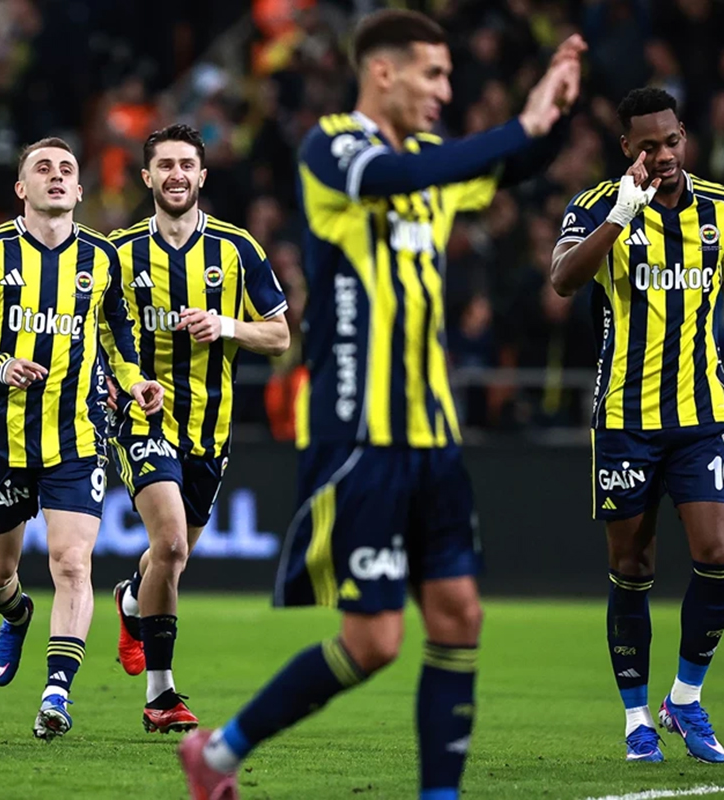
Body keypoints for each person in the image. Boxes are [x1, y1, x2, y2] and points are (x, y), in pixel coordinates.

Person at [178, 11, 586, 800]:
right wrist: (521, 125)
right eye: (433, 74)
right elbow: (391, 179)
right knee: (374, 643)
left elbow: (510, 165)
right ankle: (220, 752)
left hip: (432, 432)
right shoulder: (331, 147)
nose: (445, 91)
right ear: (383, 72)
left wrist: (555, 111)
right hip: (359, 432)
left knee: (459, 615)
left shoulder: (433, 158)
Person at [0, 137, 163, 739]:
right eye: (43, 168)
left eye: (66, 170)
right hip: (2, 438)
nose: (56, 176)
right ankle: (15, 615)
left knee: (72, 562)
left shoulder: (102, 258)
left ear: (80, 190)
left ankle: (57, 693)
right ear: (21, 188)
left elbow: (118, 334)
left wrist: (134, 381)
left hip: (77, 435)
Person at [551, 87, 724, 764]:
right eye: (648, 146)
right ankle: (635, 719)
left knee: (717, 552)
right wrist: (621, 217)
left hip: (703, 417)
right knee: (633, 567)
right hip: (626, 419)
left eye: (671, 141)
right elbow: (563, 279)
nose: (664, 155)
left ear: (683, 135)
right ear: (627, 148)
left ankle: (685, 698)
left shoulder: (717, 208)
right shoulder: (598, 205)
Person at [106, 123, 290, 733]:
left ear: (202, 176)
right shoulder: (118, 252)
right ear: (147, 177)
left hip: (211, 428)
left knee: (171, 559)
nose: (176, 174)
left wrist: (227, 325)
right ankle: (161, 697)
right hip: (142, 417)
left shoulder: (237, 249)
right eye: (165, 165)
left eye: (187, 164)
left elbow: (280, 335)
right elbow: (93, 328)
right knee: (172, 546)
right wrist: (117, 379)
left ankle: (131, 600)